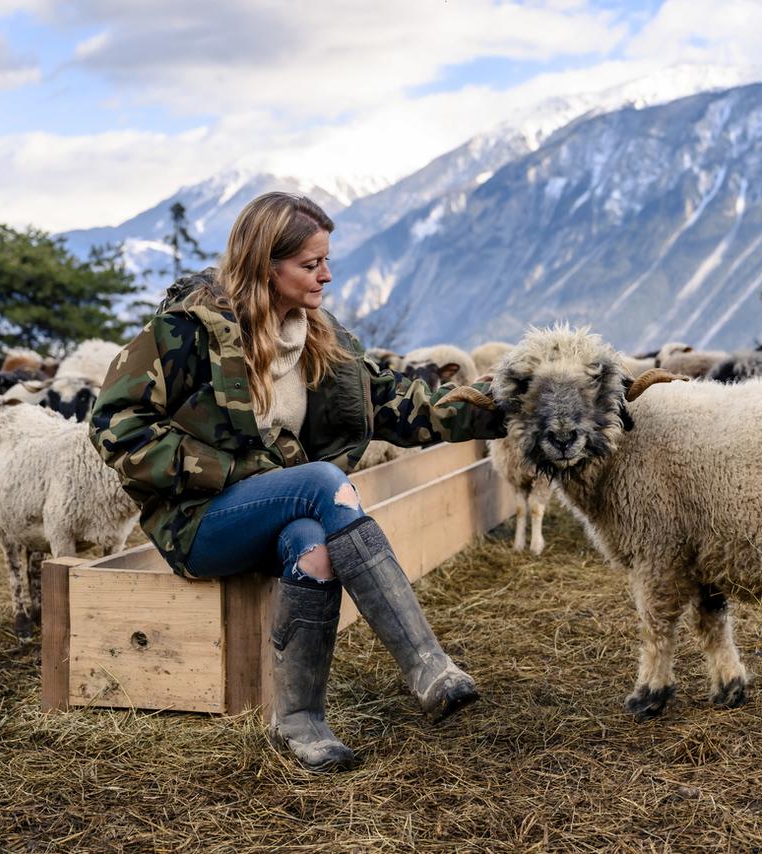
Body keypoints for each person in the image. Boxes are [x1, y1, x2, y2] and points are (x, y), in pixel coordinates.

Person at [89, 192, 505, 772]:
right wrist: (231, 471)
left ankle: (301, 722)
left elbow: (394, 405)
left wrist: (499, 409)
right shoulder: (185, 334)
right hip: (199, 523)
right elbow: (113, 424)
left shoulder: (320, 337)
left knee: (314, 542)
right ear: (267, 265)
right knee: (320, 484)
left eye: (326, 261)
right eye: (311, 265)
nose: (326, 276)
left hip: (283, 509)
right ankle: (426, 665)